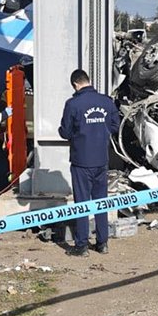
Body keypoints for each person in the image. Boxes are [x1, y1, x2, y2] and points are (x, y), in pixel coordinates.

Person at [58, 69, 121, 256]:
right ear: (88, 81)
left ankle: (82, 246)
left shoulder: (73, 104)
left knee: (82, 204)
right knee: (101, 202)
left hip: (81, 161)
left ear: (75, 84)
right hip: (101, 160)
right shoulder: (106, 101)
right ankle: (102, 243)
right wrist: (100, 132)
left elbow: (66, 132)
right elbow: (115, 126)